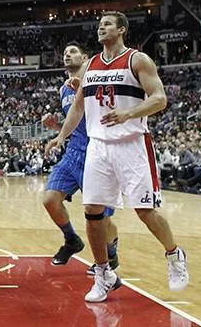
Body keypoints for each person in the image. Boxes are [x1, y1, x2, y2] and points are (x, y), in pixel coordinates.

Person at [46, 12, 189, 303]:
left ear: (122, 29)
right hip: (98, 147)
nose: (101, 27)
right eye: (99, 24)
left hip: (131, 144)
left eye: (108, 24)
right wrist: (61, 135)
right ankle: (104, 274)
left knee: (145, 212)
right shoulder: (90, 66)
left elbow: (159, 98)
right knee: (93, 214)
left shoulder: (138, 60)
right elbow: (77, 108)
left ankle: (174, 255)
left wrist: (128, 114)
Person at [41, 43, 119, 273]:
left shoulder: (95, 79)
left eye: (73, 52)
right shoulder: (63, 90)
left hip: (96, 152)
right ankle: (72, 240)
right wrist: (56, 127)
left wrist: (81, 81)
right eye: (64, 52)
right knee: (49, 200)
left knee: (101, 218)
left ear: (85, 58)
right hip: (73, 151)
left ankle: (111, 256)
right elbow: (76, 121)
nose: (67, 55)